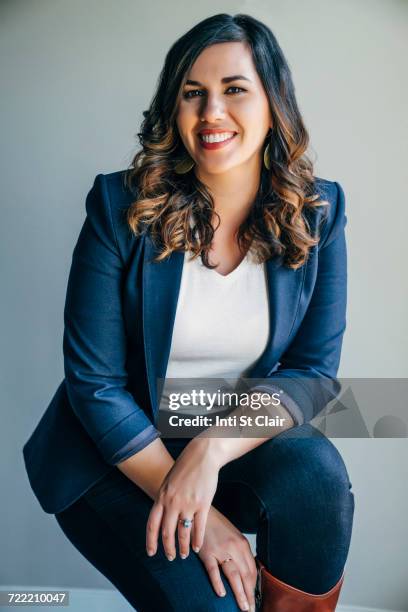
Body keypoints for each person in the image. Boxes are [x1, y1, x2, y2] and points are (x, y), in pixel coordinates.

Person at [23, 13, 355, 612]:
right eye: (192, 93)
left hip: (219, 445)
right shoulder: (119, 206)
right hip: (114, 458)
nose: (211, 114)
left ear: (274, 104)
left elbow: (313, 371)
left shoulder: (318, 212)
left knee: (317, 474)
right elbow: (94, 384)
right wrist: (203, 520)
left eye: (234, 89)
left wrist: (208, 451)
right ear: (172, 110)